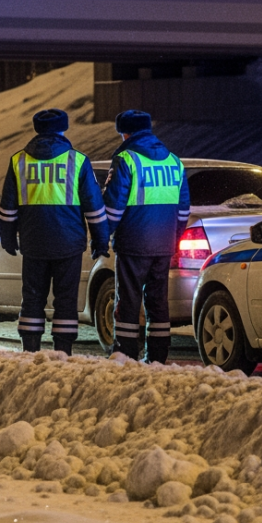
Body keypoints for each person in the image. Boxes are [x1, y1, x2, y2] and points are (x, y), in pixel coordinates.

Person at [0, 109, 108, 356]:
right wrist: (100, 240)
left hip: (33, 242)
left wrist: (8, 237)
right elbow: (94, 206)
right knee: (66, 299)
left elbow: (8, 207)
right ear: (63, 129)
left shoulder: (18, 161)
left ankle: (30, 350)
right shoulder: (77, 161)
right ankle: (63, 351)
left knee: (32, 297)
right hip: (69, 243)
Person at [102, 110, 189, 363]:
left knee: (128, 301)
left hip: (132, 243)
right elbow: (183, 209)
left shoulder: (125, 159)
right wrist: (173, 238)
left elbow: (113, 208)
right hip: (164, 245)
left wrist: (102, 235)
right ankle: (158, 356)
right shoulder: (174, 161)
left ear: (125, 133)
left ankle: (126, 352)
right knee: (158, 301)